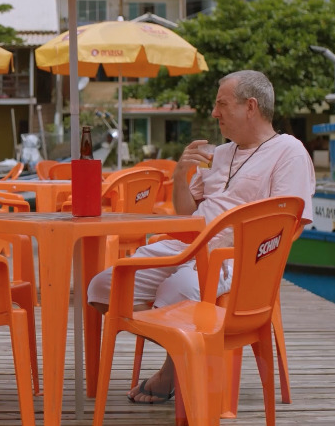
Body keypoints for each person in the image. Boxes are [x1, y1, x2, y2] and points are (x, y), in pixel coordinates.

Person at [87, 70, 316, 404]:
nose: (214, 113)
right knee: (103, 286)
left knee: (176, 291)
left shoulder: (288, 152)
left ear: (250, 106)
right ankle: (183, 350)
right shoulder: (219, 153)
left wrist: (228, 245)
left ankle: (171, 372)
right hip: (185, 245)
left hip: (237, 257)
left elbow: (287, 223)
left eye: (221, 104)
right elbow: (184, 215)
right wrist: (180, 174)